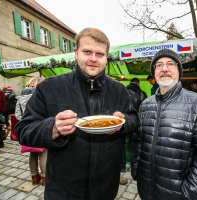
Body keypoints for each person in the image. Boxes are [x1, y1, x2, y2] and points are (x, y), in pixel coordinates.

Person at [15, 27, 138, 200]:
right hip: (63, 189)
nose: (93, 59)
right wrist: (53, 127)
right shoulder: (49, 87)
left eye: (100, 54)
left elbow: (134, 119)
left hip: (106, 187)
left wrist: (123, 124)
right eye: (87, 52)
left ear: (106, 57)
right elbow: (23, 131)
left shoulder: (119, 90)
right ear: (76, 53)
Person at [131, 49, 197, 199]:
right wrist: (136, 170)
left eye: (170, 64)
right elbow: (138, 141)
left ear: (179, 71)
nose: (164, 69)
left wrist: (190, 193)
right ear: (154, 72)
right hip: (146, 190)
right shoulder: (145, 105)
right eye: (159, 65)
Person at [16, 77, 47, 186]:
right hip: (41, 125)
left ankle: (34, 176)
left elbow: (18, 114)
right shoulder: (42, 93)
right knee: (43, 153)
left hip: (27, 127)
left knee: (33, 153)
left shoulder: (22, 94)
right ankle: (44, 178)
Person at [119, 78, 147, 185]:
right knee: (137, 143)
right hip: (139, 122)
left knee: (122, 142)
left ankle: (122, 166)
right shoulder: (143, 93)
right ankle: (135, 166)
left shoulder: (124, 91)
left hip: (126, 120)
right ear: (138, 83)